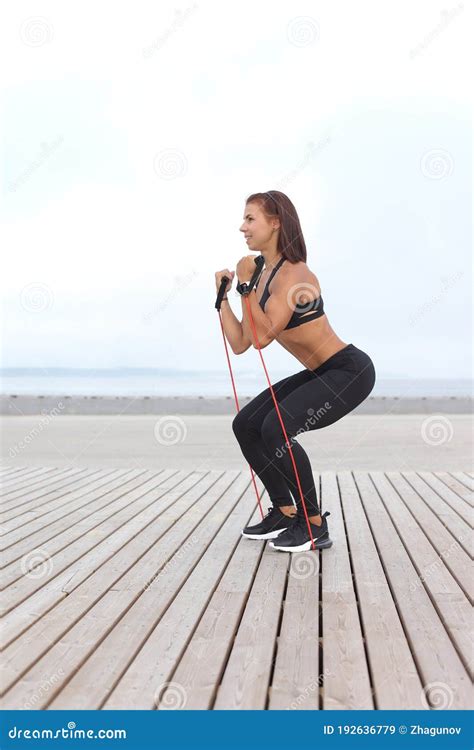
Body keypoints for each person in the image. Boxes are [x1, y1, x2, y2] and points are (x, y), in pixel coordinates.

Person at [214, 190, 376, 552]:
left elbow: (264, 337)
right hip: (320, 373)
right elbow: (241, 342)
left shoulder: (295, 274)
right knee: (246, 426)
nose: (242, 227)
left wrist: (244, 287)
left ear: (276, 223)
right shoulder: (262, 274)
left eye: (250, 219)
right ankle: (285, 511)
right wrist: (224, 298)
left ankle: (314, 523)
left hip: (348, 371)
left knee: (277, 428)